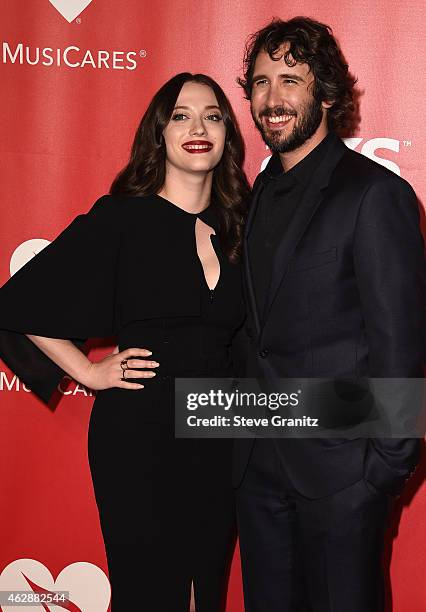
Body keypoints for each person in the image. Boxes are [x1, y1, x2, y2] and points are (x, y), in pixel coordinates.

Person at [0, 73, 250, 611]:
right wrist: (88, 372)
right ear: (158, 133)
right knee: (149, 591)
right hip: (140, 431)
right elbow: (19, 304)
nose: (198, 127)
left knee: (204, 589)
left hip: (222, 428)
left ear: (229, 133)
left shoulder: (243, 226)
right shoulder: (121, 218)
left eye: (212, 115)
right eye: (180, 116)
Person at [233, 17, 425, 612]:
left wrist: (380, 474)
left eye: (290, 80)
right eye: (261, 83)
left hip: (343, 478)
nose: (273, 99)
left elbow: (401, 345)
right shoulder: (256, 194)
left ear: (329, 93)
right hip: (258, 469)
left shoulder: (374, 194)